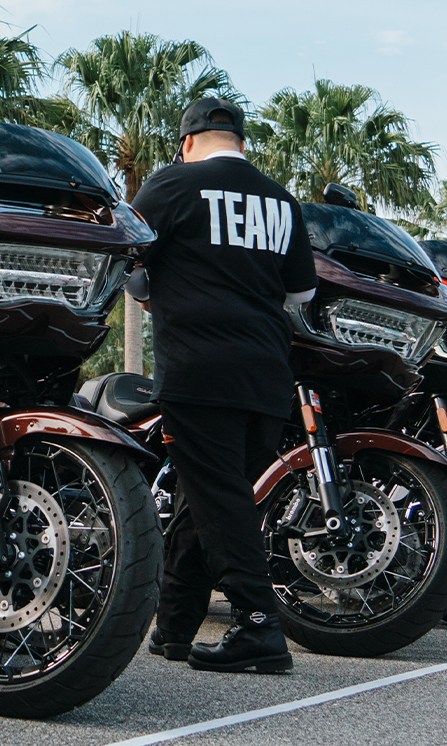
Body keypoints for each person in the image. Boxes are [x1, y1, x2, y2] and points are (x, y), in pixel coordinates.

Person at [131, 97, 317, 674]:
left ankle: (259, 626)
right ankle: (176, 626)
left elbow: (132, 274)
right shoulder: (281, 201)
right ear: (240, 140)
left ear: (187, 142)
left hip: (198, 367)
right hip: (265, 373)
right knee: (207, 496)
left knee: (219, 502)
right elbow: (302, 295)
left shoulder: (169, 187)